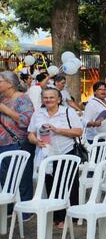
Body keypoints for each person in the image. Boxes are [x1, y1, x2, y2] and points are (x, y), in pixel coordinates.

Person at [27, 87, 84, 228]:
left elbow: (78, 131)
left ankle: (71, 216)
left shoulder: (68, 112)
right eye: (45, 98)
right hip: (47, 154)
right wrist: (36, 141)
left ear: (59, 99)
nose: (48, 100)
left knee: (69, 185)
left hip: (67, 152)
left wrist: (58, 130)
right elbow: (30, 134)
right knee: (51, 184)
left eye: (51, 97)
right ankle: (57, 217)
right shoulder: (38, 114)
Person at [0, 71, 35, 214]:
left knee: (21, 177)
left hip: (18, 143)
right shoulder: (1, 99)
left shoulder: (22, 99)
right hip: (2, 144)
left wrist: (5, 110)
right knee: (5, 178)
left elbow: (27, 121)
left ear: (9, 84)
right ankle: (9, 208)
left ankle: (25, 211)